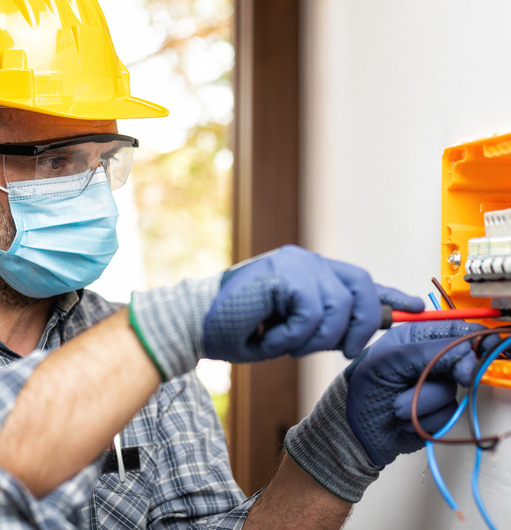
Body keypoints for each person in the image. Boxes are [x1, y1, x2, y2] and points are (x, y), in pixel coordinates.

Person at [0, 1, 489, 528]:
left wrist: (334, 452)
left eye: (105, 159)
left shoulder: (156, 378)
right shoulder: (148, 348)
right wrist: (170, 327)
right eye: (57, 160)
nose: (96, 194)